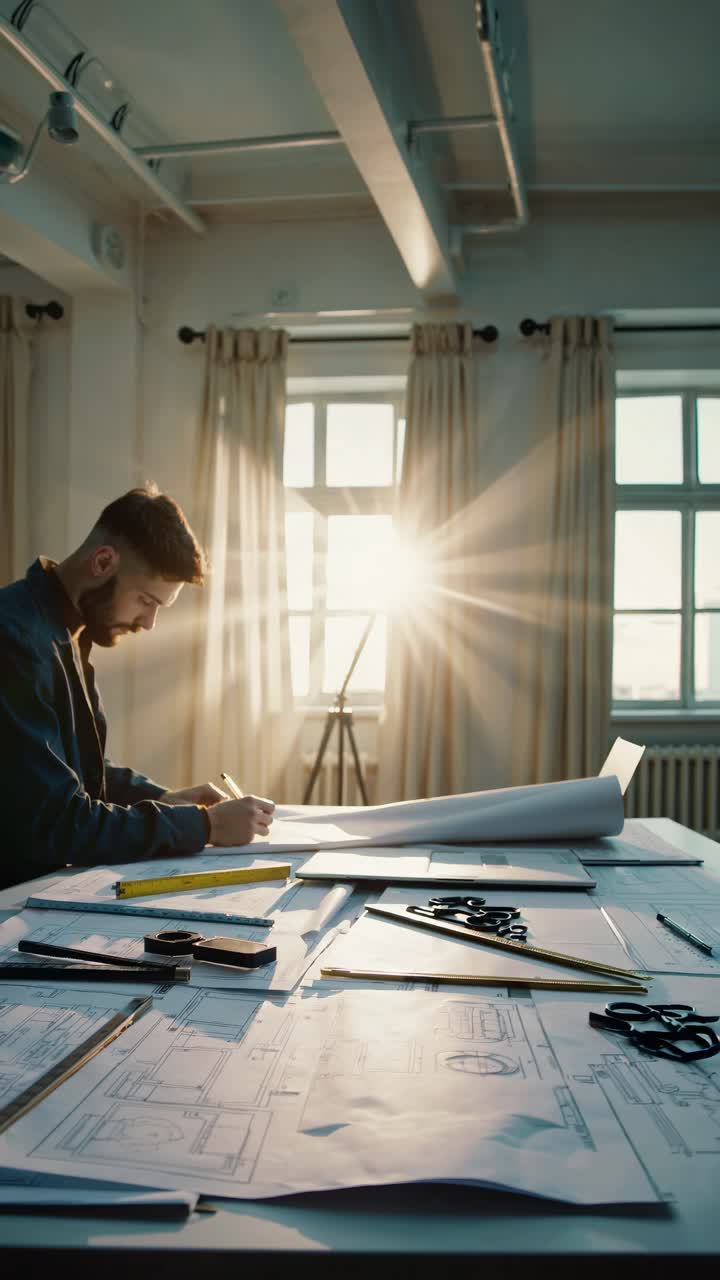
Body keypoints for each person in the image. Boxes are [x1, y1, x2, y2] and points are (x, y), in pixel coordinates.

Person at [0, 483, 274, 889]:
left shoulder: (63, 632)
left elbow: (77, 771)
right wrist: (203, 825)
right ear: (104, 561)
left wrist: (165, 799)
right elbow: (59, 822)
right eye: (147, 601)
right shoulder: (15, 640)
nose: (148, 624)